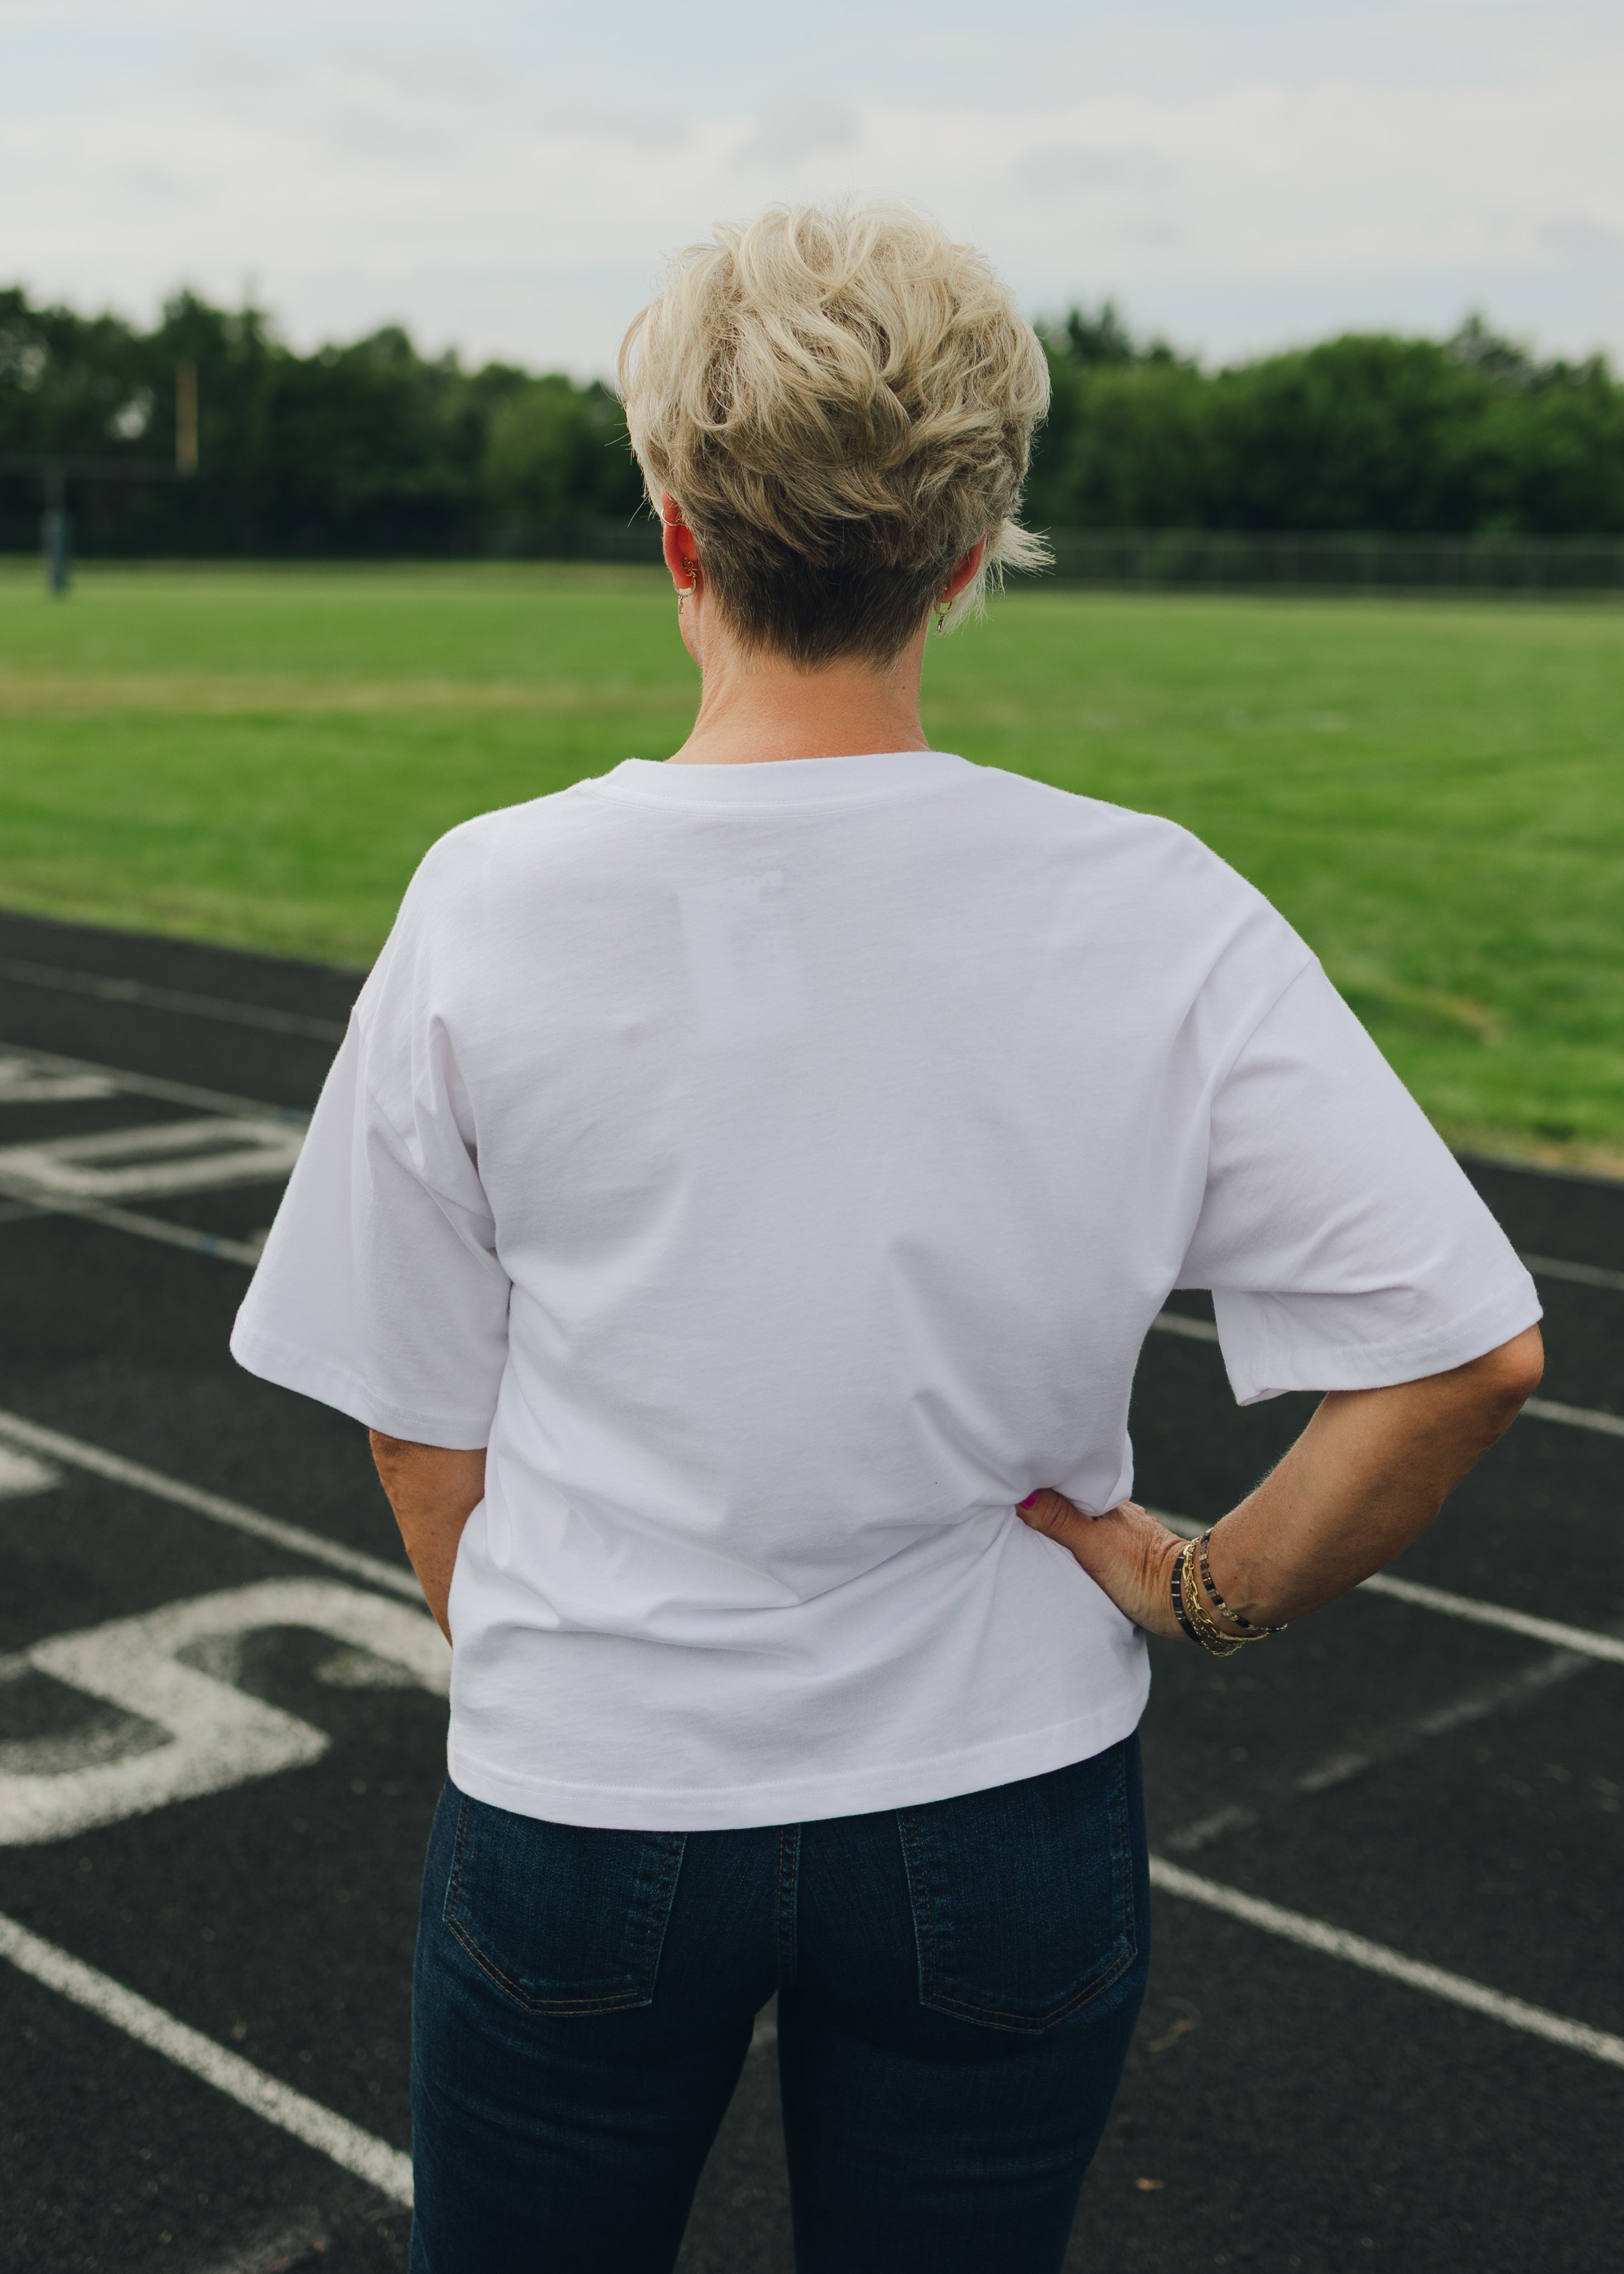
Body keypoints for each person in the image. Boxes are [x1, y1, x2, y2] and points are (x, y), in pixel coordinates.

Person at [230, 201, 1544, 2274]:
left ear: (676, 535)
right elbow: (1467, 1355)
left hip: (589, 1805)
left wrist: (570, 1675)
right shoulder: (1157, 905)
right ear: (963, 555)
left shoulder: (487, 898)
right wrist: (1205, 1591)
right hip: (1001, 1806)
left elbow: (417, 1419)